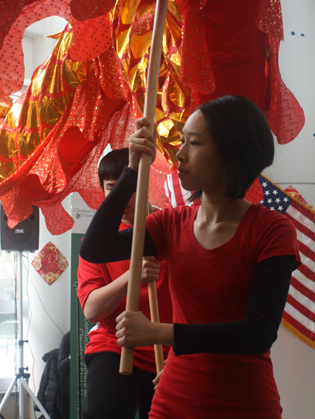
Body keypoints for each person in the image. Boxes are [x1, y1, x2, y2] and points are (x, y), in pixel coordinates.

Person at [80, 95, 300, 418]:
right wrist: (131, 169)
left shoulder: (272, 230)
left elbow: (258, 333)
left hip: (246, 403)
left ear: (231, 153)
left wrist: (157, 333)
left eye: (194, 143)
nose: (179, 155)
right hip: (174, 401)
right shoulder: (171, 224)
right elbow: (95, 247)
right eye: (182, 141)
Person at [77, 149, 172, 419]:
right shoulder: (96, 244)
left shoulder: (171, 227)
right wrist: (132, 275)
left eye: (130, 187)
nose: (123, 198)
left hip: (167, 349)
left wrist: (178, 355)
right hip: (116, 346)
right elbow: (92, 310)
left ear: (145, 183)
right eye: (112, 188)